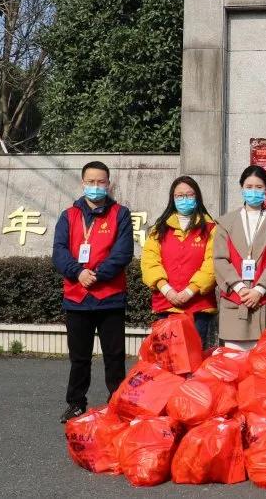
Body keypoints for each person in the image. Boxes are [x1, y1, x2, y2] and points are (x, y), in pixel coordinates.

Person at [52, 161, 133, 423]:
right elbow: (59, 252)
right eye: (91, 182)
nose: (95, 187)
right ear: (82, 183)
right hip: (77, 297)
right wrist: (78, 272)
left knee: (114, 356)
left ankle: (117, 403)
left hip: (110, 297)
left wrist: (97, 274)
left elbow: (123, 252)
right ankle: (76, 403)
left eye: (101, 182)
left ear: (108, 184)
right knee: (79, 357)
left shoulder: (120, 214)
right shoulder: (69, 216)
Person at [213, 166, 266, 350]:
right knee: (234, 365)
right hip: (235, 303)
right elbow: (220, 260)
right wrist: (240, 288)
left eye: (259, 187)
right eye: (249, 187)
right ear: (241, 188)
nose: (253, 191)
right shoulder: (226, 223)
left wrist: (259, 290)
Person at [141, 176, 217, 348]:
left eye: (189, 195)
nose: (185, 199)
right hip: (166, 304)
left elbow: (212, 263)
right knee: (167, 359)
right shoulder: (159, 229)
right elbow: (149, 262)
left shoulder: (211, 228)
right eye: (179, 196)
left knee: (195, 356)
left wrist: (189, 292)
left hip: (198, 306)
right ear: (172, 199)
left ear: (197, 197)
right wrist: (167, 290)